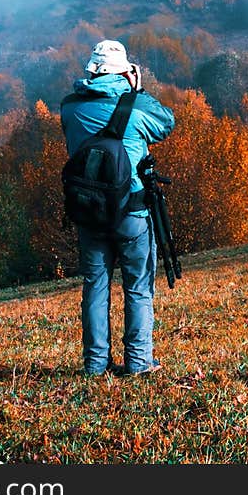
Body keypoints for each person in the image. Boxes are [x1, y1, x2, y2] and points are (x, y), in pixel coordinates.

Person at [60, 39, 175, 376]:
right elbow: (166, 123)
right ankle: (139, 362)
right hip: (132, 211)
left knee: (95, 285)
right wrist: (136, 89)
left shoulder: (69, 108)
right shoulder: (136, 107)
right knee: (138, 286)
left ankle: (96, 365)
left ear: (92, 71)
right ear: (125, 71)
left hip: (89, 211)